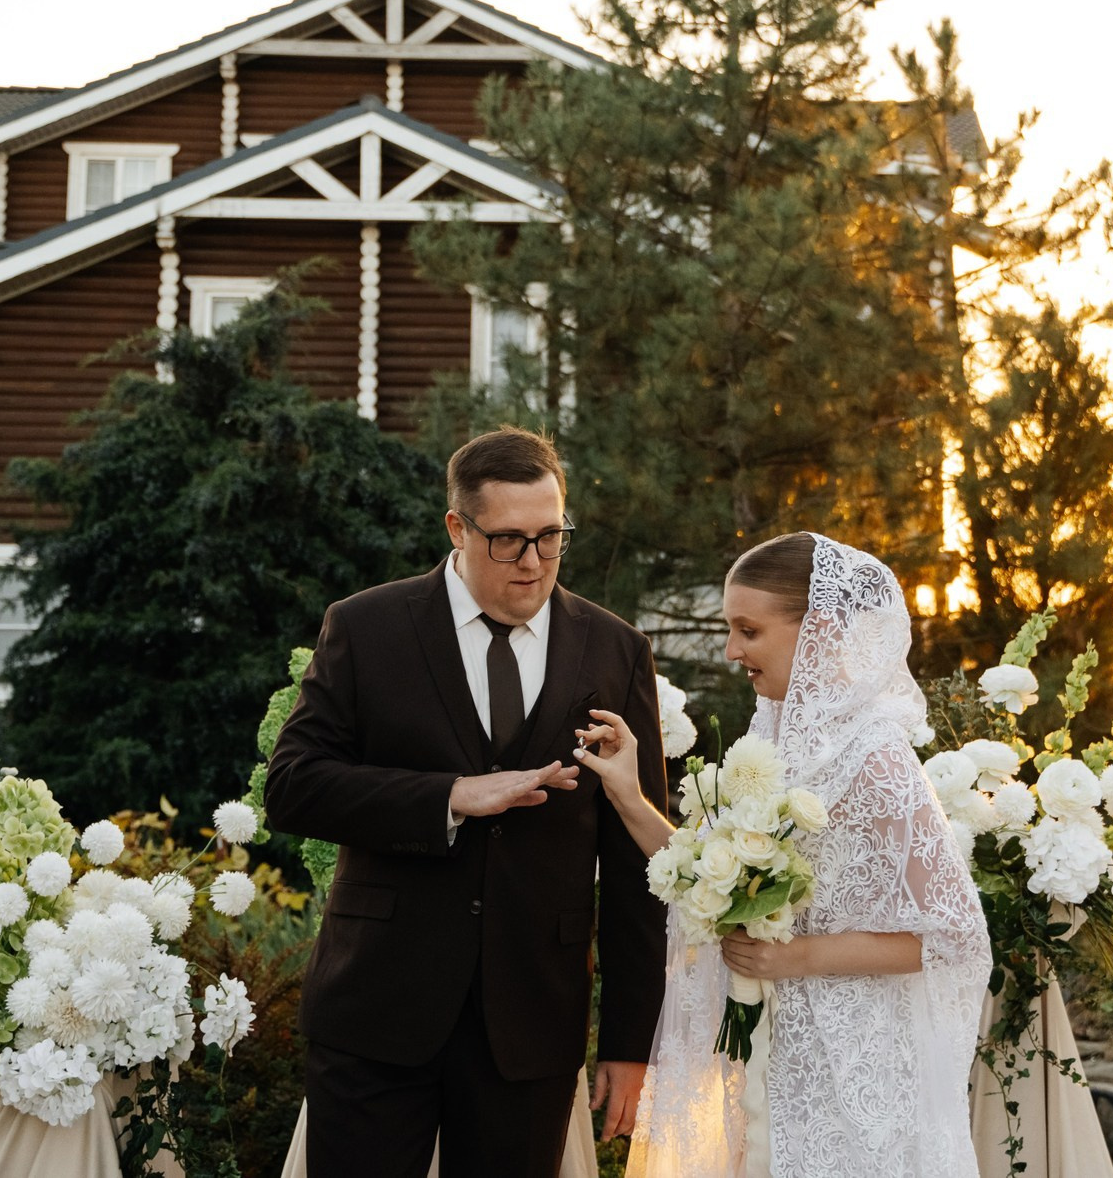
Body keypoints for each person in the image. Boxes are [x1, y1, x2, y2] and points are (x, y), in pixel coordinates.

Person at [265, 426, 668, 1178]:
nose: (533, 562)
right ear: (458, 526)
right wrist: (448, 795)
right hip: (376, 1009)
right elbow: (292, 785)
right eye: (509, 540)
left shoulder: (615, 649)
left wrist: (627, 1039)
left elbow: (636, 864)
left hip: (533, 1022)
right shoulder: (366, 626)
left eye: (552, 537)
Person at [574, 533, 989, 1178]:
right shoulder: (769, 735)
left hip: (847, 1072)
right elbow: (705, 878)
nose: (732, 649)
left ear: (818, 628)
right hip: (765, 1051)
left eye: (748, 630)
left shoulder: (876, 757)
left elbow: (954, 936)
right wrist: (627, 792)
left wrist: (798, 956)